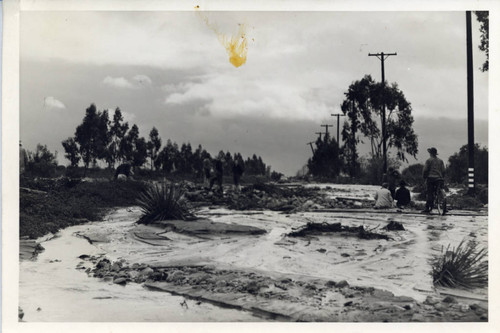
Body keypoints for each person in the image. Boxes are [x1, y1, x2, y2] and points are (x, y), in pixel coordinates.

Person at [422, 147, 446, 213]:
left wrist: (424, 177)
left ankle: (427, 208)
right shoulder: (441, 161)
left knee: (429, 192)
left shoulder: (429, 160)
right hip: (439, 178)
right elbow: (443, 170)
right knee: (439, 190)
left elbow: (425, 170)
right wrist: (442, 177)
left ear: (430, 153)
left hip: (431, 178)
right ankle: (444, 207)